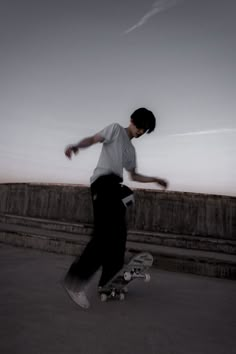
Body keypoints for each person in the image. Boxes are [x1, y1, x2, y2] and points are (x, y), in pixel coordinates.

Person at [63, 107, 168, 309]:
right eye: (140, 127)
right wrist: (76, 146)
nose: (140, 132)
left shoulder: (131, 150)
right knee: (104, 235)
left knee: (119, 235)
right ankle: (75, 281)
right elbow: (93, 139)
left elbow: (134, 176)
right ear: (132, 120)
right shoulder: (115, 130)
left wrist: (155, 179)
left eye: (144, 130)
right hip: (103, 184)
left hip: (116, 188)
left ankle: (108, 281)